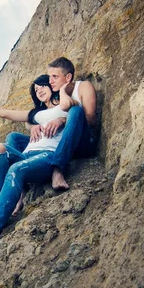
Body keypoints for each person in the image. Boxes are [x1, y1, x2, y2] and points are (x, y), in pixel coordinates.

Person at [0, 76, 68, 258]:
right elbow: (2, 112)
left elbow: (78, 118)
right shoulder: (35, 115)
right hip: (26, 155)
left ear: (53, 86)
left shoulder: (65, 106)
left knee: (16, 169)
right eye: (36, 89)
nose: (39, 90)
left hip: (47, 157)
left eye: (43, 86)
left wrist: (61, 120)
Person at [42, 57, 97, 190]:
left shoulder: (83, 87)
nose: (50, 81)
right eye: (49, 77)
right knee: (14, 138)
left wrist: (62, 120)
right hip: (60, 143)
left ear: (68, 77)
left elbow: (91, 120)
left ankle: (58, 170)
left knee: (76, 110)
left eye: (55, 76)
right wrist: (33, 127)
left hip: (82, 143)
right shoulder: (54, 97)